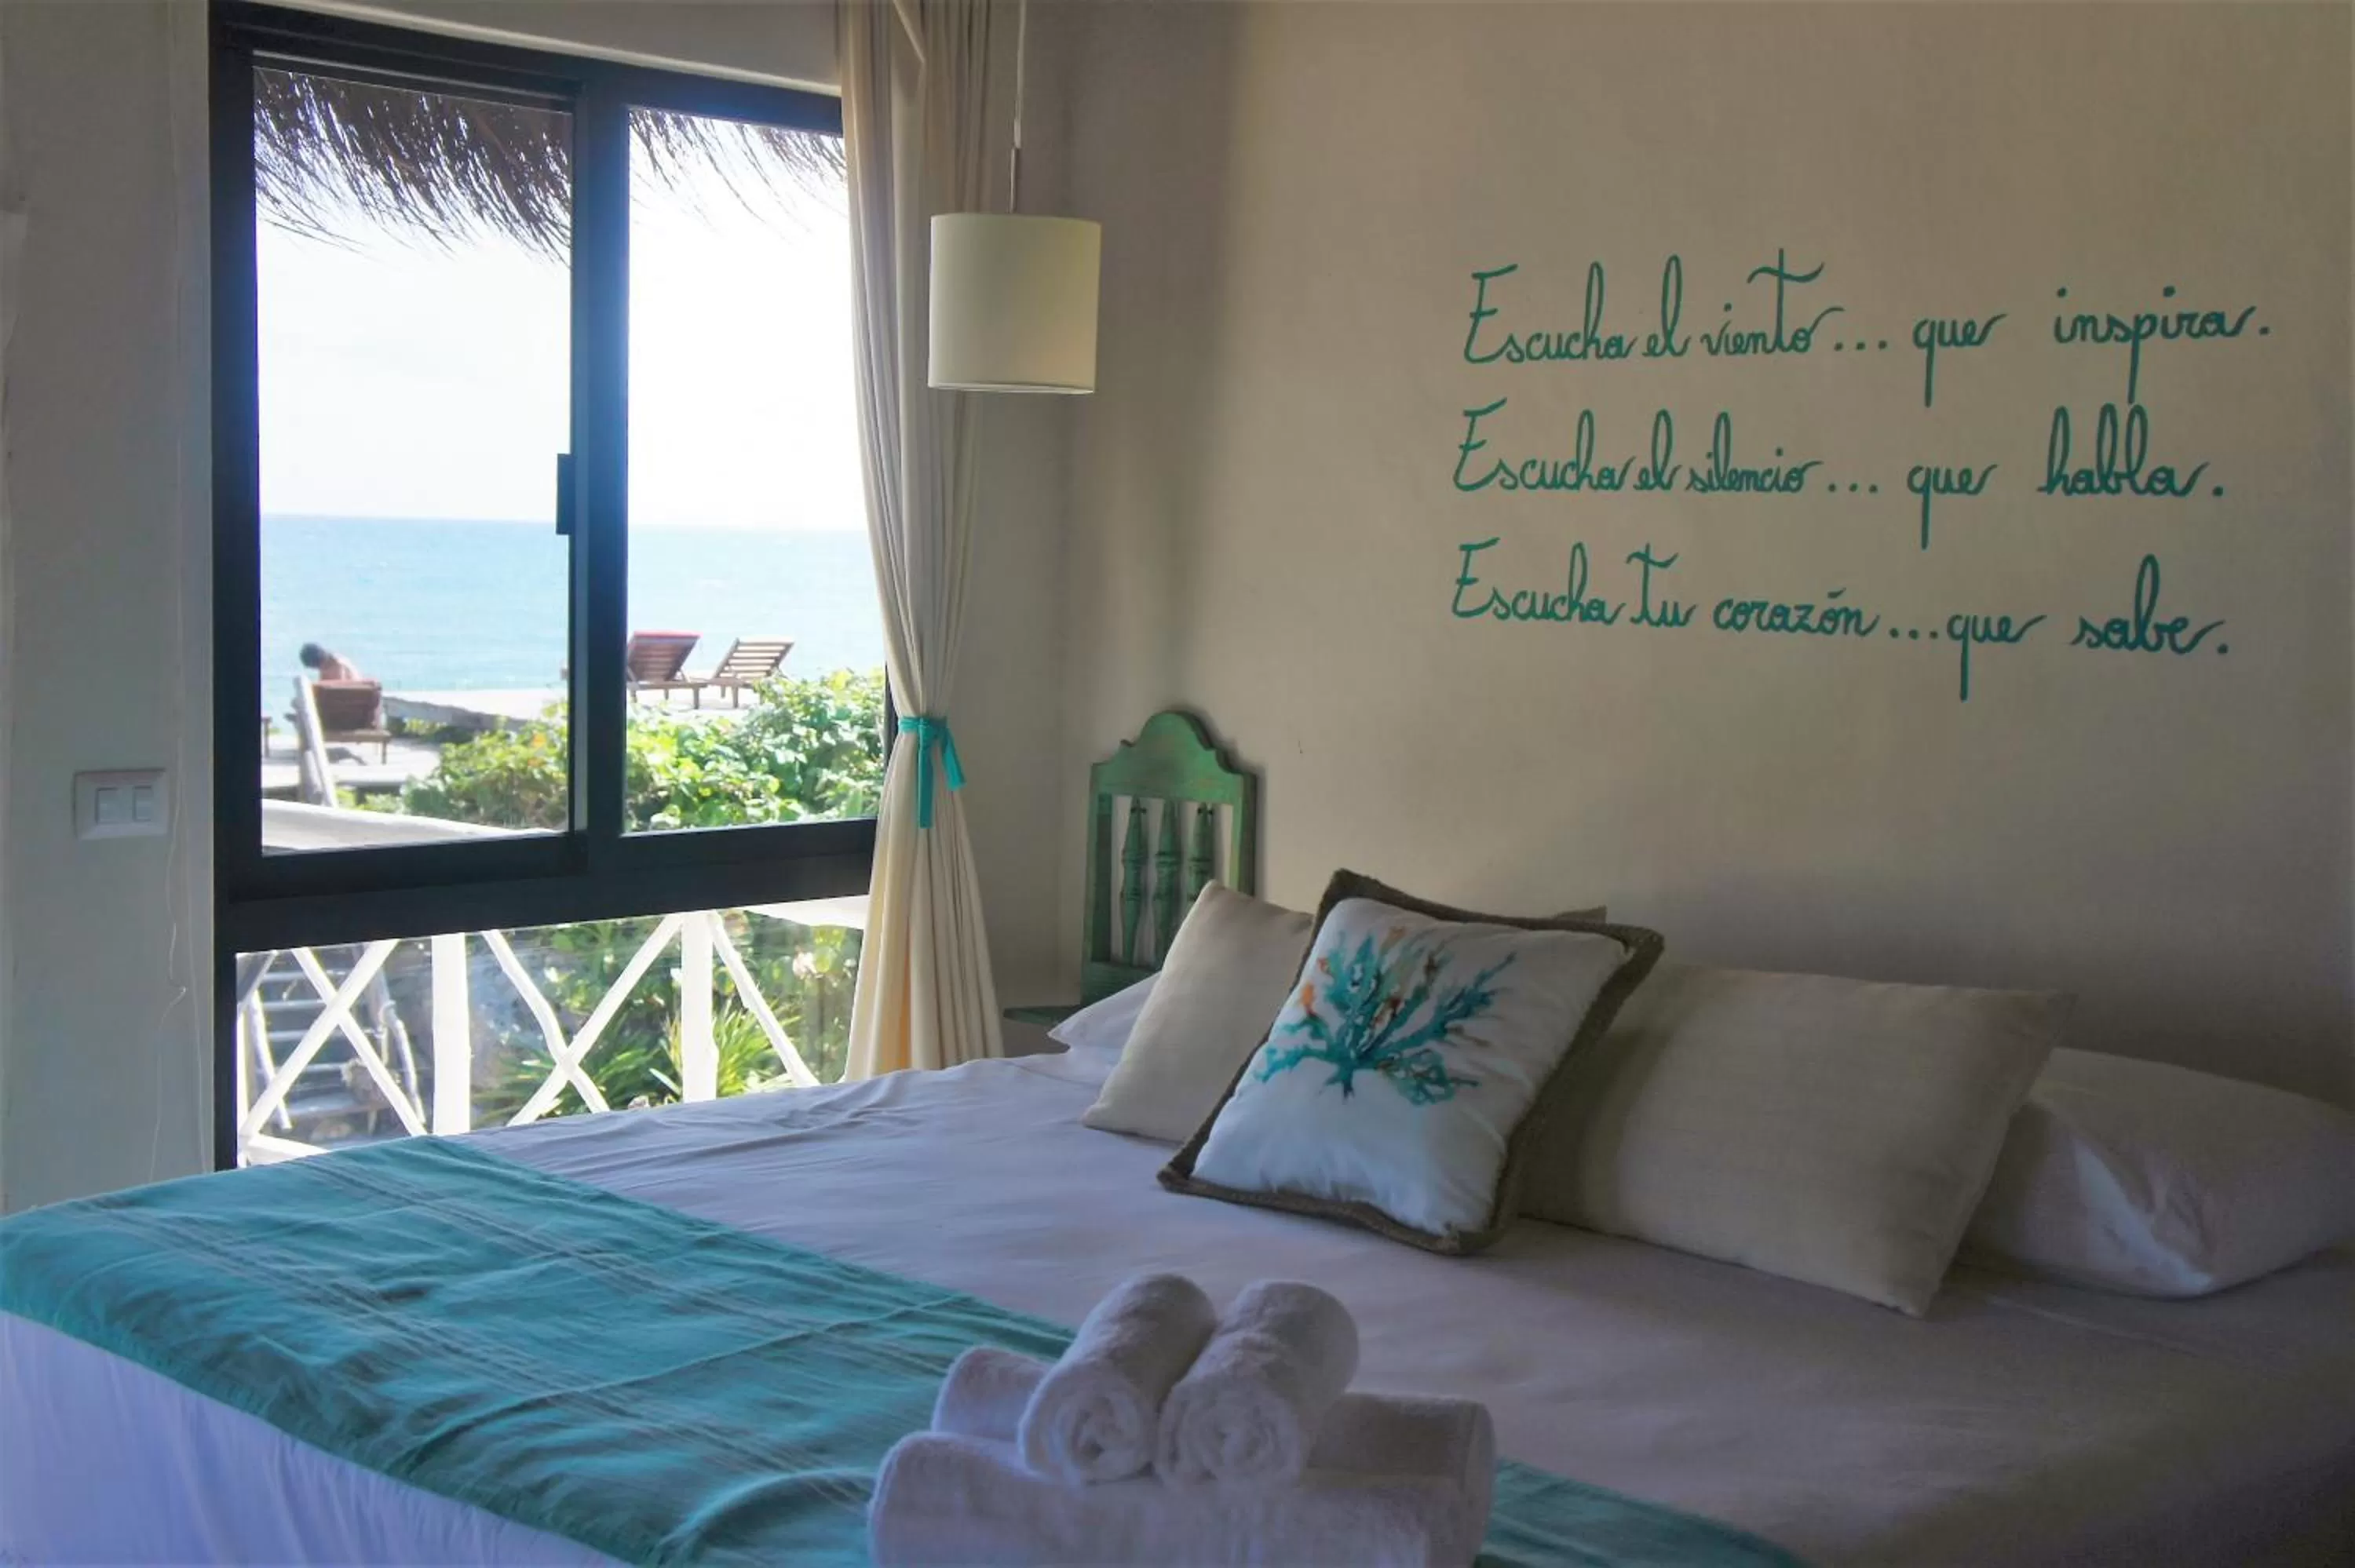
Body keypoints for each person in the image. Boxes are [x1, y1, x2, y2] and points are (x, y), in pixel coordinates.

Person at [299, 642, 364, 682]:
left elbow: (339, 688)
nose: (317, 669)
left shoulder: (338, 664)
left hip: (348, 699)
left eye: (314, 666)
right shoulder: (328, 663)